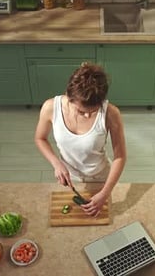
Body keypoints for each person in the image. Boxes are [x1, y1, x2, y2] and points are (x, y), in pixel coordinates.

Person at [34, 62, 127, 217]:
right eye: (80, 110)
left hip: (100, 177)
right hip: (69, 178)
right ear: (69, 96)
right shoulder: (51, 107)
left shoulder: (111, 113)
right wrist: (56, 164)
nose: (86, 115)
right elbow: (40, 138)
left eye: (93, 111)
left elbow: (120, 156)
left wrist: (105, 192)